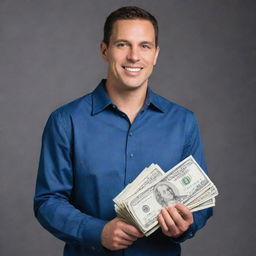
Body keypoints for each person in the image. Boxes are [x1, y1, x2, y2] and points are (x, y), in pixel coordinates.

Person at [34, 6, 212, 256]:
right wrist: (98, 232)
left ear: (156, 54)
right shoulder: (65, 121)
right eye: (122, 45)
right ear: (104, 50)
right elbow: (47, 201)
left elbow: (201, 201)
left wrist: (185, 224)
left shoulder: (183, 122)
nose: (134, 56)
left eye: (145, 46)